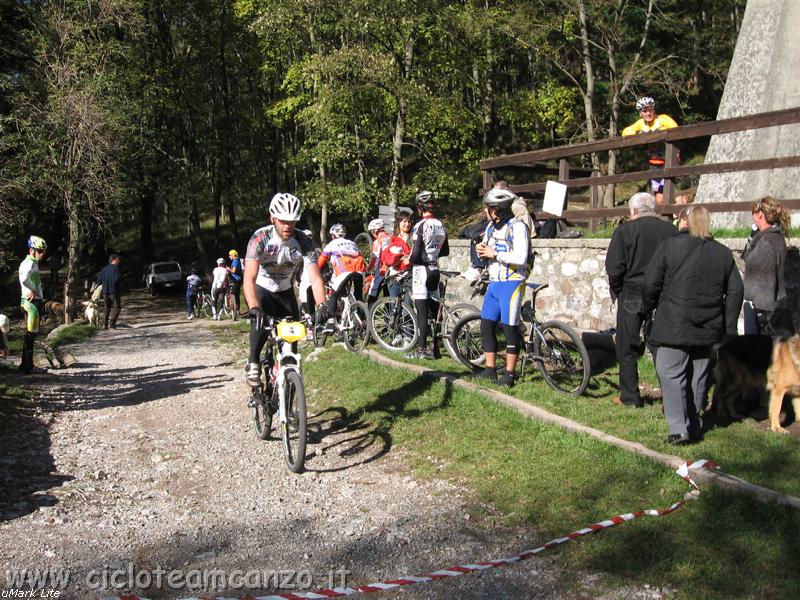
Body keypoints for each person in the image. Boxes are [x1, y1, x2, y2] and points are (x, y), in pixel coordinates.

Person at [642, 206, 743, 444]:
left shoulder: (670, 247)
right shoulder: (723, 253)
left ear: (684, 222)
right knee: (698, 376)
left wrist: (648, 308)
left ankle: (679, 429)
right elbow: (736, 291)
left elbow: (650, 283)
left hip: (673, 325)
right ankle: (694, 422)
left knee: (670, 372)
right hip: (708, 327)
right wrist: (728, 328)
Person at [243, 193, 327, 387]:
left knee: (291, 346)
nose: (288, 226)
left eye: (292, 221)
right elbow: (249, 278)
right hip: (262, 289)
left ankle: (288, 393)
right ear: (273, 218)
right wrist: (254, 307)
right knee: (260, 321)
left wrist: (322, 305)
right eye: (283, 221)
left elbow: (315, 278)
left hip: (285, 292)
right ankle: (253, 362)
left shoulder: (303, 242)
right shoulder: (260, 238)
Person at [605, 192, 677, 407]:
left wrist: (618, 290)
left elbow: (614, 267)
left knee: (627, 346)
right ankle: (671, 396)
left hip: (632, 292)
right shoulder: (671, 231)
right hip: (663, 294)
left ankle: (630, 396)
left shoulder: (626, 231)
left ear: (634, 211)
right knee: (660, 346)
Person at [475, 188, 530, 387]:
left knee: (509, 329)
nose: (485, 211)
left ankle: (509, 373)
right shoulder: (491, 227)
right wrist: (481, 250)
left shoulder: (517, 227)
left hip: (512, 282)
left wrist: (494, 254)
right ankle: (490, 370)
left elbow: (521, 257)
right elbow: (487, 248)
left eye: (488, 208)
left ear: (497, 209)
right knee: (486, 325)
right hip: (494, 283)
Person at [406, 190, 449, 359]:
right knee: (436, 310)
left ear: (419, 207)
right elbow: (445, 250)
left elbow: (416, 254)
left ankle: (421, 349)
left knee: (422, 313)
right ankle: (435, 347)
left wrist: (408, 257)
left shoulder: (419, 226)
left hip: (421, 270)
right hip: (435, 269)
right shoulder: (440, 224)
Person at [742, 197, 789, 335]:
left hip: (763, 310)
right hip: (769, 307)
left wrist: (760, 315)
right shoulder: (774, 237)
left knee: (757, 351)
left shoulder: (766, 243)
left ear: (760, 215)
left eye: (753, 213)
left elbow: (763, 281)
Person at [621, 96, 679, 207]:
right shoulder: (640, 124)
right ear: (640, 113)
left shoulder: (661, 119)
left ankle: (671, 216)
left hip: (668, 161)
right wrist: (639, 134)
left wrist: (660, 131)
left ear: (654, 110)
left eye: (650, 109)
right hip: (654, 164)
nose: (648, 113)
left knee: (661, 196)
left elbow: (675, 128)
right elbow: (625, 132)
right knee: (658, 196)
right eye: (644, 111)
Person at [317, 223, 366, 332]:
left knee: (334, 294)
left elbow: (321, 260)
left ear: (333, 235)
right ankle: (363, 320)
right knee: (358, 297)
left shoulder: (332, 244)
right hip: (359, 270)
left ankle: (330, 322)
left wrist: (316, 273)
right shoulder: (352, 243)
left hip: (344, 271)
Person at [18, 235, 47, 374]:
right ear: (32, 250)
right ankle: (28, 367)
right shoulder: (28, 263)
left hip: (33, 301)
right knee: (30, 335)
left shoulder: (33, 262)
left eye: (43, 251)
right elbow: (24, 279)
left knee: (31, 334)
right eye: (40, 251)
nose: (42, 254)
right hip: (31, 303)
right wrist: (34, 290)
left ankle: (25, 364)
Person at [382, 210, 413, 298]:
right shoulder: (392, 239)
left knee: (408, 306)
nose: (407, 224)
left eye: (409, 222)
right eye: (404, 221)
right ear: (399, 222)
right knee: (394, 306)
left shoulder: (413, 238)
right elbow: (386, 257)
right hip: (393, 276)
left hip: (409, 275)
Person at [366, 218, 392, 305]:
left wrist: (368, 269)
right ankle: (388, 317)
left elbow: (374, 259)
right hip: (393, 271)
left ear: (375, 231)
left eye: (372, 232)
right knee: (388, 295)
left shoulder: (377, 242)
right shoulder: (392, 237)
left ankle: (369, 316)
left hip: (381, 272)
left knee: (372, 295)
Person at [96, 254, 122, 330]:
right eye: (118, 259)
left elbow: (99, 281)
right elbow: (117, 279)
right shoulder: (116, 269)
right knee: (117, 307)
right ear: (114, 260)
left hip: (105, 292)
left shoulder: (103, 269)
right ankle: (112, 323)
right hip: (114, 291)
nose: (119, 261)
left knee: (107, 308)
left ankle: (105, 324)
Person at [226, 249, 243, 320]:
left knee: (233, 293)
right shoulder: (237, 260)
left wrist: (228, 269)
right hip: (238, 279)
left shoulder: (235, 261)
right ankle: (237, 310)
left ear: (233, 255)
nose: (229, 256)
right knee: (236, 294)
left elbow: (234, 271)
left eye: (230, 255)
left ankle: (233, 310)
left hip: (236, 280)